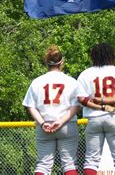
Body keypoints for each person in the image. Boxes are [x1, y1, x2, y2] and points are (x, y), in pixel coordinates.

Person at [22, 45, 80, 175]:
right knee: (69, 164)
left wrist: (42, 123)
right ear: (62, 62)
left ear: (46, 62)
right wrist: (61, 122)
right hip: (66, 125)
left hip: (45, 126)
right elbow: (76, 105)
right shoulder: (71, 81)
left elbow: (30, 106)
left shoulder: (37, 82)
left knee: (43, 165)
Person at [77, 43, 115, 175]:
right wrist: (107, 104)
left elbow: (82, 99)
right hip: (114, 117)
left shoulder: (86, 73)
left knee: (91, 160)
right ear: (111, 55)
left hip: (94, 118)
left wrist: (100, 105)